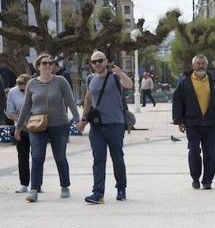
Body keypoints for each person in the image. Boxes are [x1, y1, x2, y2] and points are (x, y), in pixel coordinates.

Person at [15, 53, 80, 203]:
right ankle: (34, 190)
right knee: (37, 157)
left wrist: (77, 120)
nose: (48, 65)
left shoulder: (61, 81)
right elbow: (26, 106)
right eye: (44, 63)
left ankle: (65, 186)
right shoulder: (32, 83)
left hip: (59, 125)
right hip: (37, 126)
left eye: (50, 63)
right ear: (38, 66)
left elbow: (70, 101)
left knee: (60, 157)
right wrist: (18, 126)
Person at [75, 51, 133, 204]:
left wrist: (121, 73)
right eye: (94, 62)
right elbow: (88, 99)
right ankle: (97, 193)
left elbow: (129, 85)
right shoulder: (90, 79)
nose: (97, 64)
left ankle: (121, 188)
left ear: (106, 61)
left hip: (115, 124)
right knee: (98, 160)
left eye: (100, 61)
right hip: (97, 126)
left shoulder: (114, 76)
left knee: (117, 158)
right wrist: (83, 120)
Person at [172, 54, 215, 190]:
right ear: (193, 65)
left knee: (210, 153)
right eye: (198, 63)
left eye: (202, 63)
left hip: (210, 124)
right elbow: (177, 101)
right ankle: (195, 177)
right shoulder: (184, 82)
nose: (200, 65)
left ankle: (207, 180)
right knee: (194, 151)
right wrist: (179, 121)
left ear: (206, 65)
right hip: (192, 124)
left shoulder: (214, 82)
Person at [6, 74, 31, 193]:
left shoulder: (34, 89)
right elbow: (10, 111)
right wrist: (21, 123)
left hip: (36, 127)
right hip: (20, 129)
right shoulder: (12, 92)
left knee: (37, 157)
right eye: (20, 88)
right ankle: (24, 184)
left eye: (24, 88)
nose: (23, 91)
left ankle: (37, 184)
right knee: (22, 157)